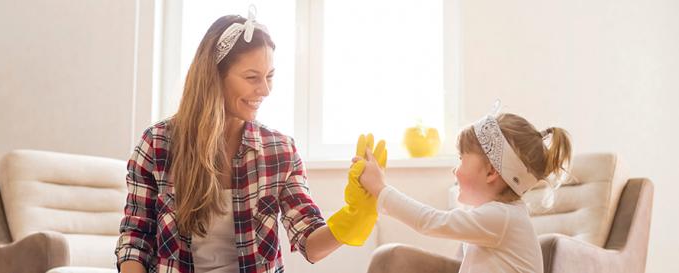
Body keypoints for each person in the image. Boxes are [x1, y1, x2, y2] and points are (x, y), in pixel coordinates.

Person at [114, 6, 381, 273]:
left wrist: (353, 216)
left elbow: (308, 240)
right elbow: (135, 241)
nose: (265, 89)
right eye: (252, 77)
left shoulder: (280, 151)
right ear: (214, 76)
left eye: (270, 76)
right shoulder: (157, 145)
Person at [355, 107, 572, 273]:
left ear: (491, 172)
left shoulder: (501, 217)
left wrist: (380, 189)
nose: (455, 170)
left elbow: (430, 221)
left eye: (461, 159)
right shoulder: (500, 215)